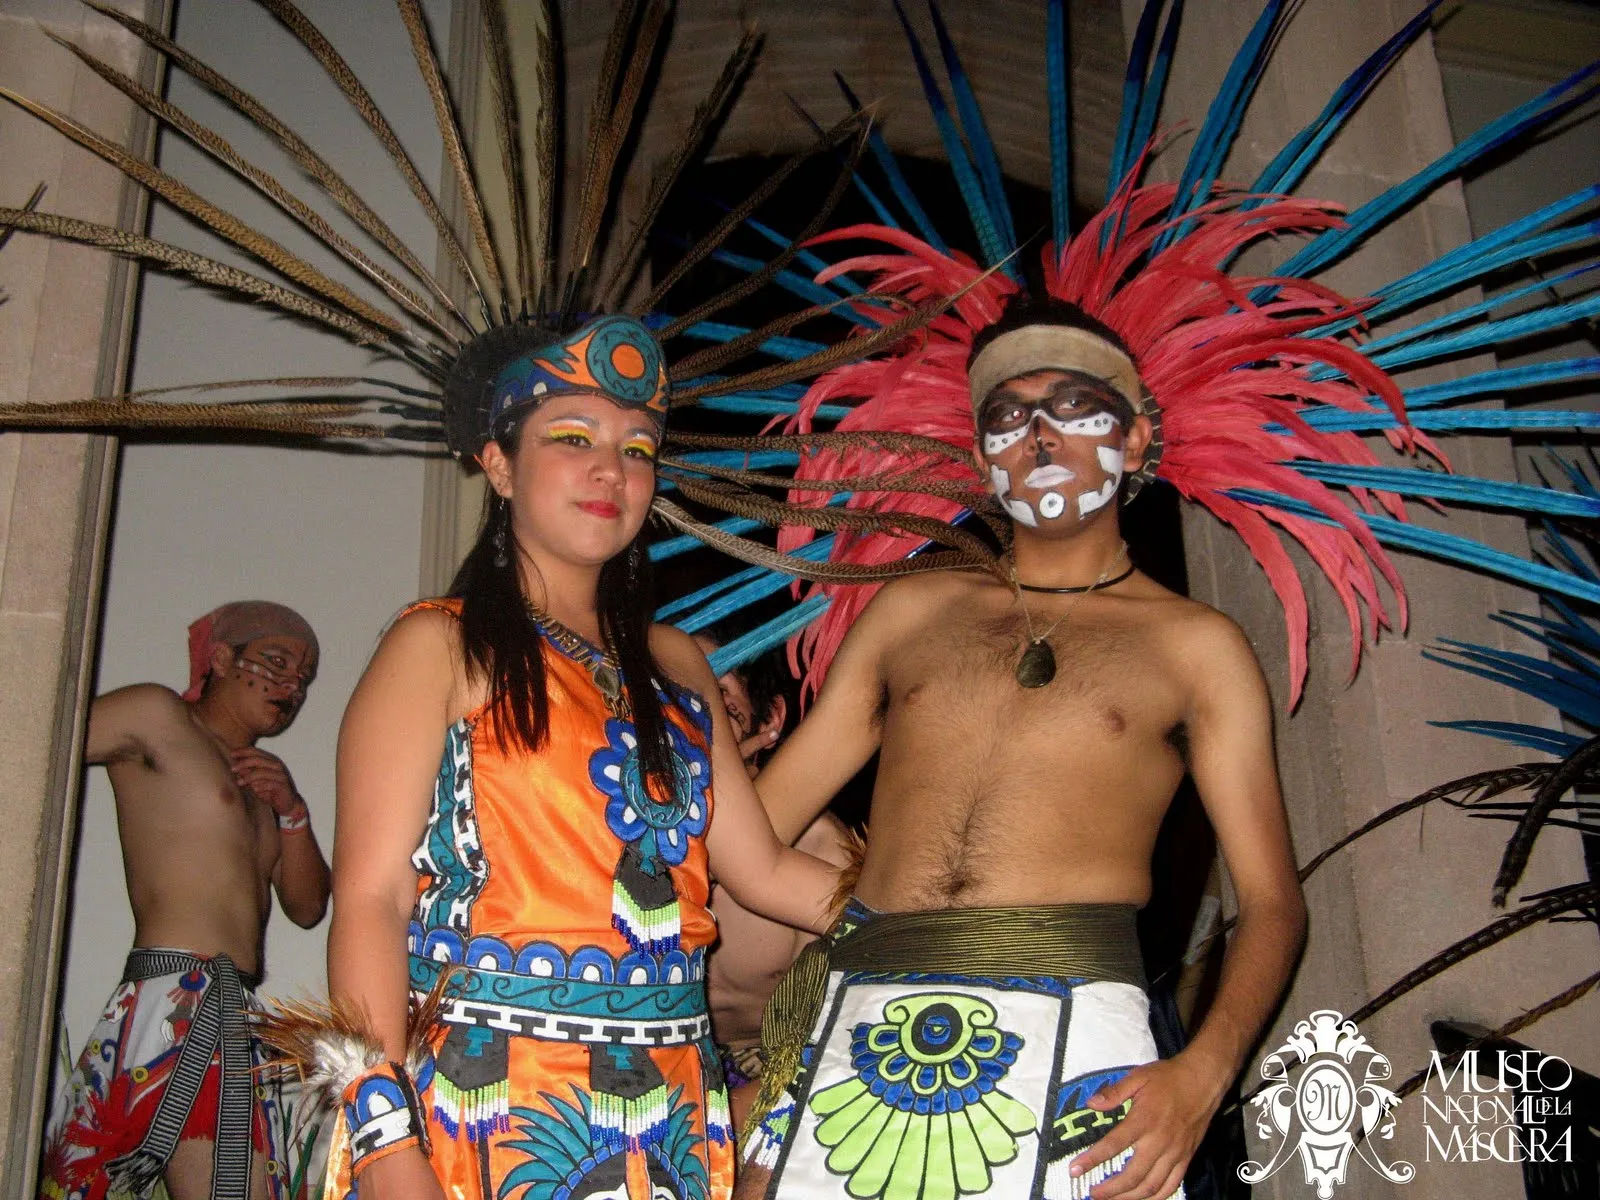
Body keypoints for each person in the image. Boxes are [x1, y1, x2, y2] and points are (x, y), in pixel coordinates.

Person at [737, 298, 1307, 1200]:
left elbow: (1273, 903)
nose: (1038, 434)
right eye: (1007, 415)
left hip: (1083, 1034)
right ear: (978, 455)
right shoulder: (911, 611)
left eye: (1073, 405)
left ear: (1140, 437)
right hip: (856, 1027)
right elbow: (755, 827)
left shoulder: (1197, 647)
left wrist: (1202, 1077)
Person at [303, 314, 844, 1200]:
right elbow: (370, 897)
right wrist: (383, 1138)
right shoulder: (438, 647)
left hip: (669, 1116)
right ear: (500, 464)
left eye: (638, 449)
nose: (612, 470)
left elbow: (768, 871)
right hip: (484, 1106)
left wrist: (942, 917)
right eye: (573, 439)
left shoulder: (676, 663)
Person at [41, 601, 330, 1200]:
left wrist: (293, 812)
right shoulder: (159, 717)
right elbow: (38, 726)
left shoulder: (262, 783)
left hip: (232, 1010)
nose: (289, 687)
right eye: (275, 663)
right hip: (168, 992)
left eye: (301, 679)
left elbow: (308, 907)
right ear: (221, 659)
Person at [692, 630, 857, 1131]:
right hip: (638, 1061)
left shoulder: (819, 852)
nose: (695, 698)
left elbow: (837, 1033)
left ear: (770, 721)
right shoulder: (609, 829)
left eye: (719, 683)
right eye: (674, 685)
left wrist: (715, 1126)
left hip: (765, 1073)